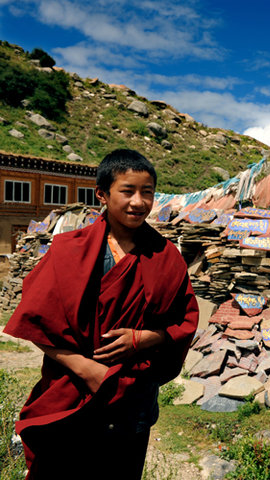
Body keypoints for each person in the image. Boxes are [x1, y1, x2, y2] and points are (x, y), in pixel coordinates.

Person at [4, 149, 198, 479]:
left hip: (132, 399)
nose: (139, 202)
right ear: (103, 195)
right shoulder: (69, 249)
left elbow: (185, 320)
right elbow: (38, 322)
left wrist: (145, 338)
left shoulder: (166, 257)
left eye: (147, 192)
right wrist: (84, 367)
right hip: (72, 392)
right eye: (127, 191)